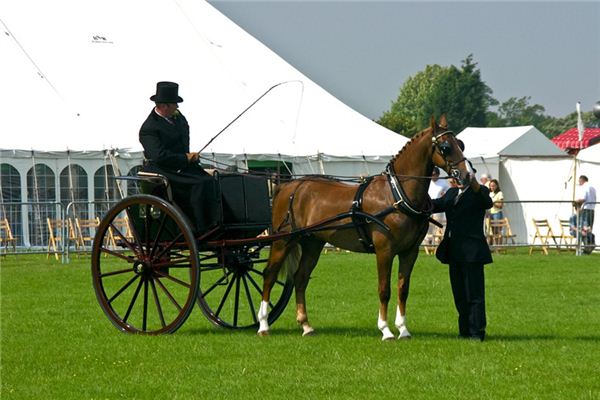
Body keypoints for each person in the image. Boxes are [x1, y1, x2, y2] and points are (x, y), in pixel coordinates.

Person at [139, 81, 216, 232]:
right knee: (199, 183)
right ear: (165, 106)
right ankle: (200, 227)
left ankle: (216, 222)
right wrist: (185, 158)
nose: (177, 107)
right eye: (175, 104)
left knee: (211, 181)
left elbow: (184, 140)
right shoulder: (149, 128)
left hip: (181, 166)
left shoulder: (178, 119)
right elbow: (159, 156)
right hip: (162, 169)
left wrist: (189, 158)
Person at [432, 168, 493, 341]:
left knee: (474, 295)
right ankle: (464, 331)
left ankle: (477, 332)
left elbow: (486, 202)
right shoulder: (451, 193)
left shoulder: (479, 192)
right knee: (459, 294)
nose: (458, 178)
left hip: (472, 252)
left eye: (462, 176)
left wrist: (473, 180)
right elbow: (436, 204)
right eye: (456, 175)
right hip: (454, 251)